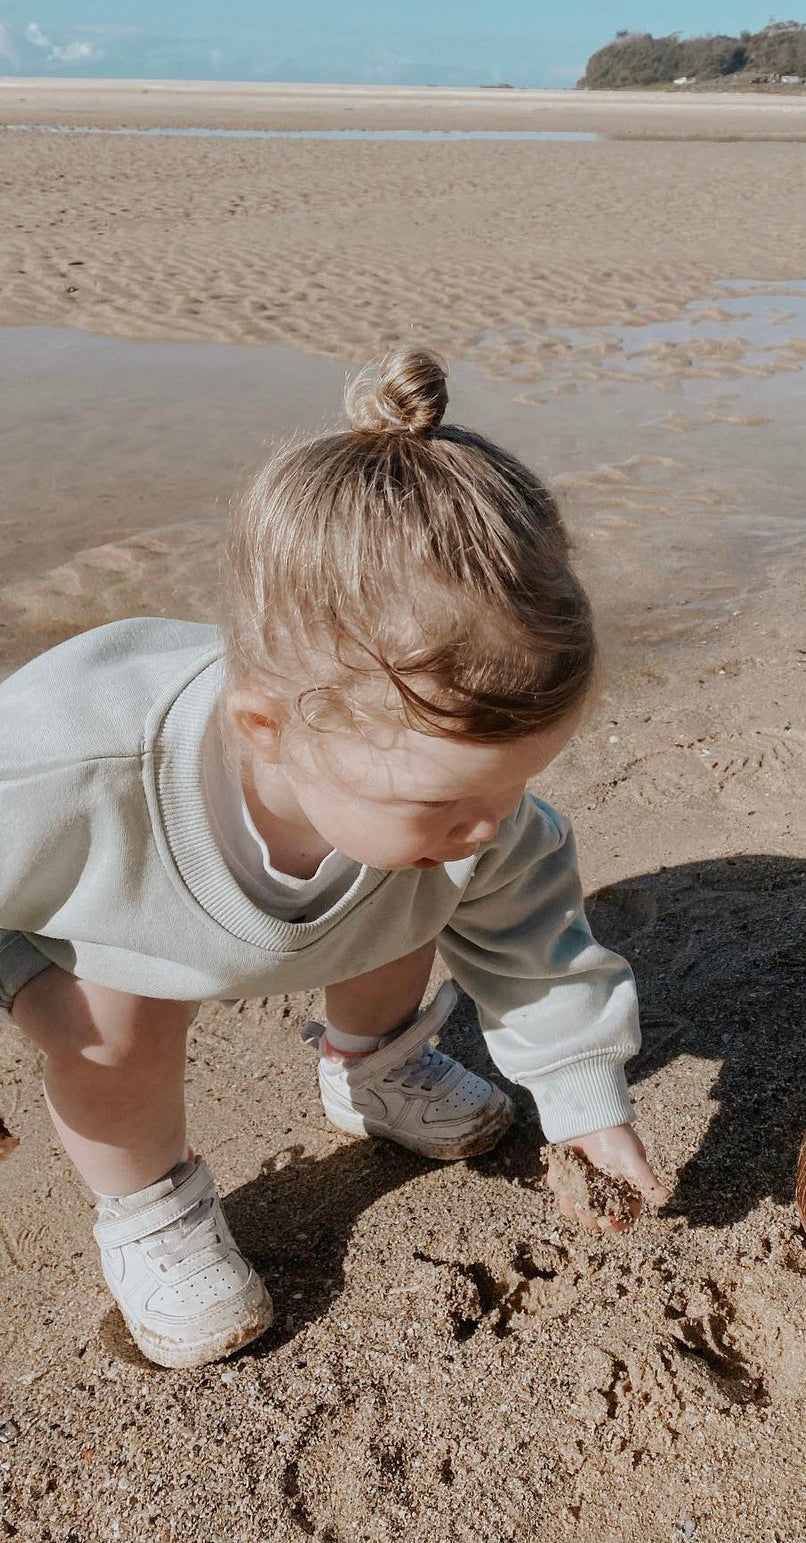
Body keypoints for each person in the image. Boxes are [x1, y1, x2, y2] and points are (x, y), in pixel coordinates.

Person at [0, 346, 665, 1369]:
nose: (489, 824)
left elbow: (535, 945)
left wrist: (583, 1101)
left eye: (509, 785)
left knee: (422, 881)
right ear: (266, 729)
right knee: (116, 1031)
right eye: (447, 795)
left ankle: (376, 1061)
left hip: (326, 900)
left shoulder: (451, 814)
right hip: (86, 918)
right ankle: (148, 1207)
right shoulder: (64, 769)